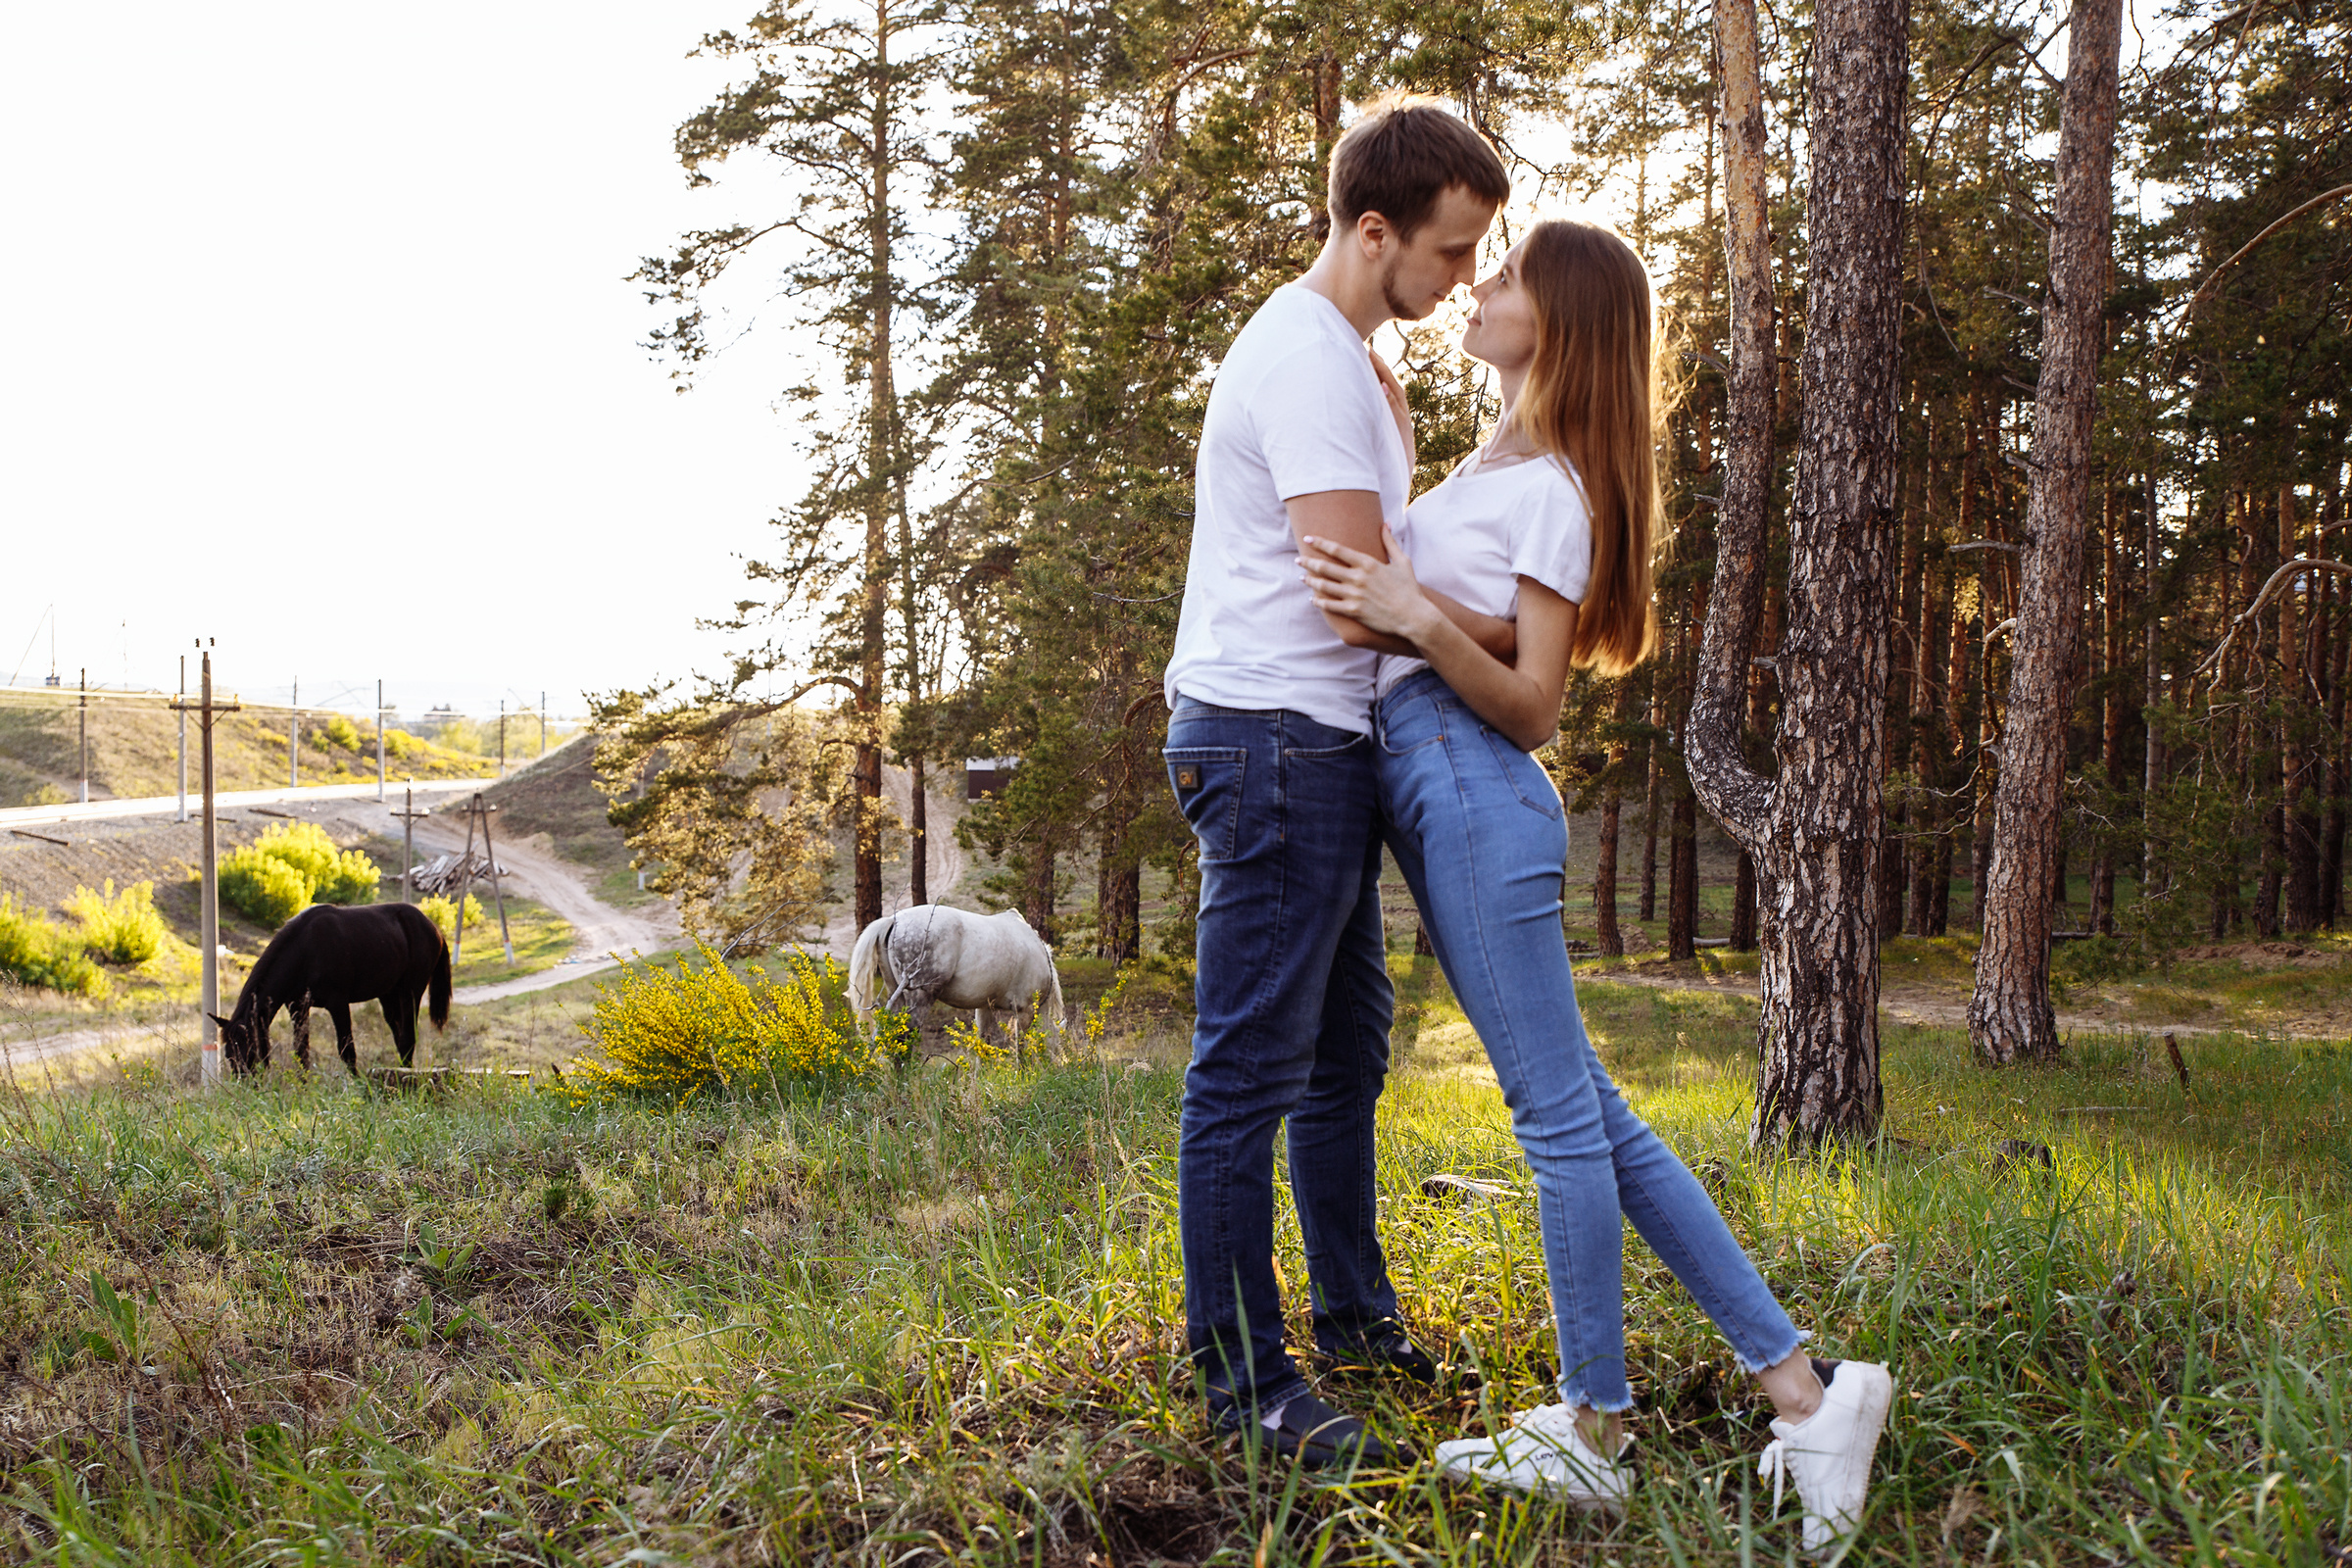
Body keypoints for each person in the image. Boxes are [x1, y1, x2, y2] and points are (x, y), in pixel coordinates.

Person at [1298, 217, 1894, 1550]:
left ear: (1556, 322)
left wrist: (1413, 616)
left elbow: (1532, 705)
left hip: (1471, 784)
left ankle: (1595, 1424)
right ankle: (1804, 1394)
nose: (1477, 286)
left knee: (1555, 1121)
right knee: (1591, 1113)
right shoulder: (1499, 464)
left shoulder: (1555, 487)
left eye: (1501, 277)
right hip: (1440, 786)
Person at [1158, 95, 1513, 1468]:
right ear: (1376, 233)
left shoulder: (1358, 359)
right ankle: (1244, 1381)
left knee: (1346, 1053)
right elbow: (1360, 599)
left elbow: (1379, 586)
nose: (1467, 278)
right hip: (1274, 740)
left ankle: (1356, 1318)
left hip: (1317, 742)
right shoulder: (1307, 360)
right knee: (1249, 1067)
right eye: (1453, 250)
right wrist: (1510, 639)